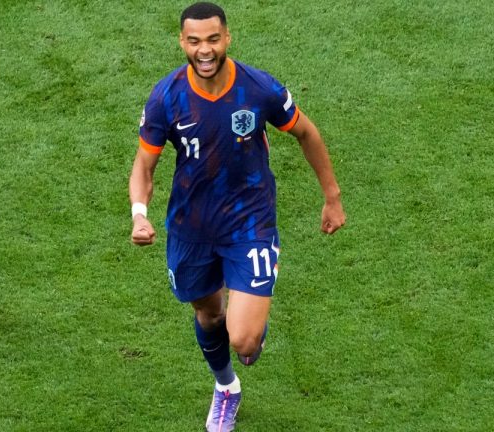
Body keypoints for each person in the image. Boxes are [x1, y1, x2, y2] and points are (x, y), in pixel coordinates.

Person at [128, 2, 345, 431]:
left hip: (250, 222)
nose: (204, 50)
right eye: (194, 41)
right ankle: (226, 388)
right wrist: (139, 214)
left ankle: (249, 321)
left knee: (243, 338)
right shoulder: (166, 97)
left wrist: (332, 196)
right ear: (182, 43)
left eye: (212, 39)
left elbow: (305, 132)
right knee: (209, 316)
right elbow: (144, 167)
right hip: (191, 228)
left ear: (227, 38)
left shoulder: (258, 89)